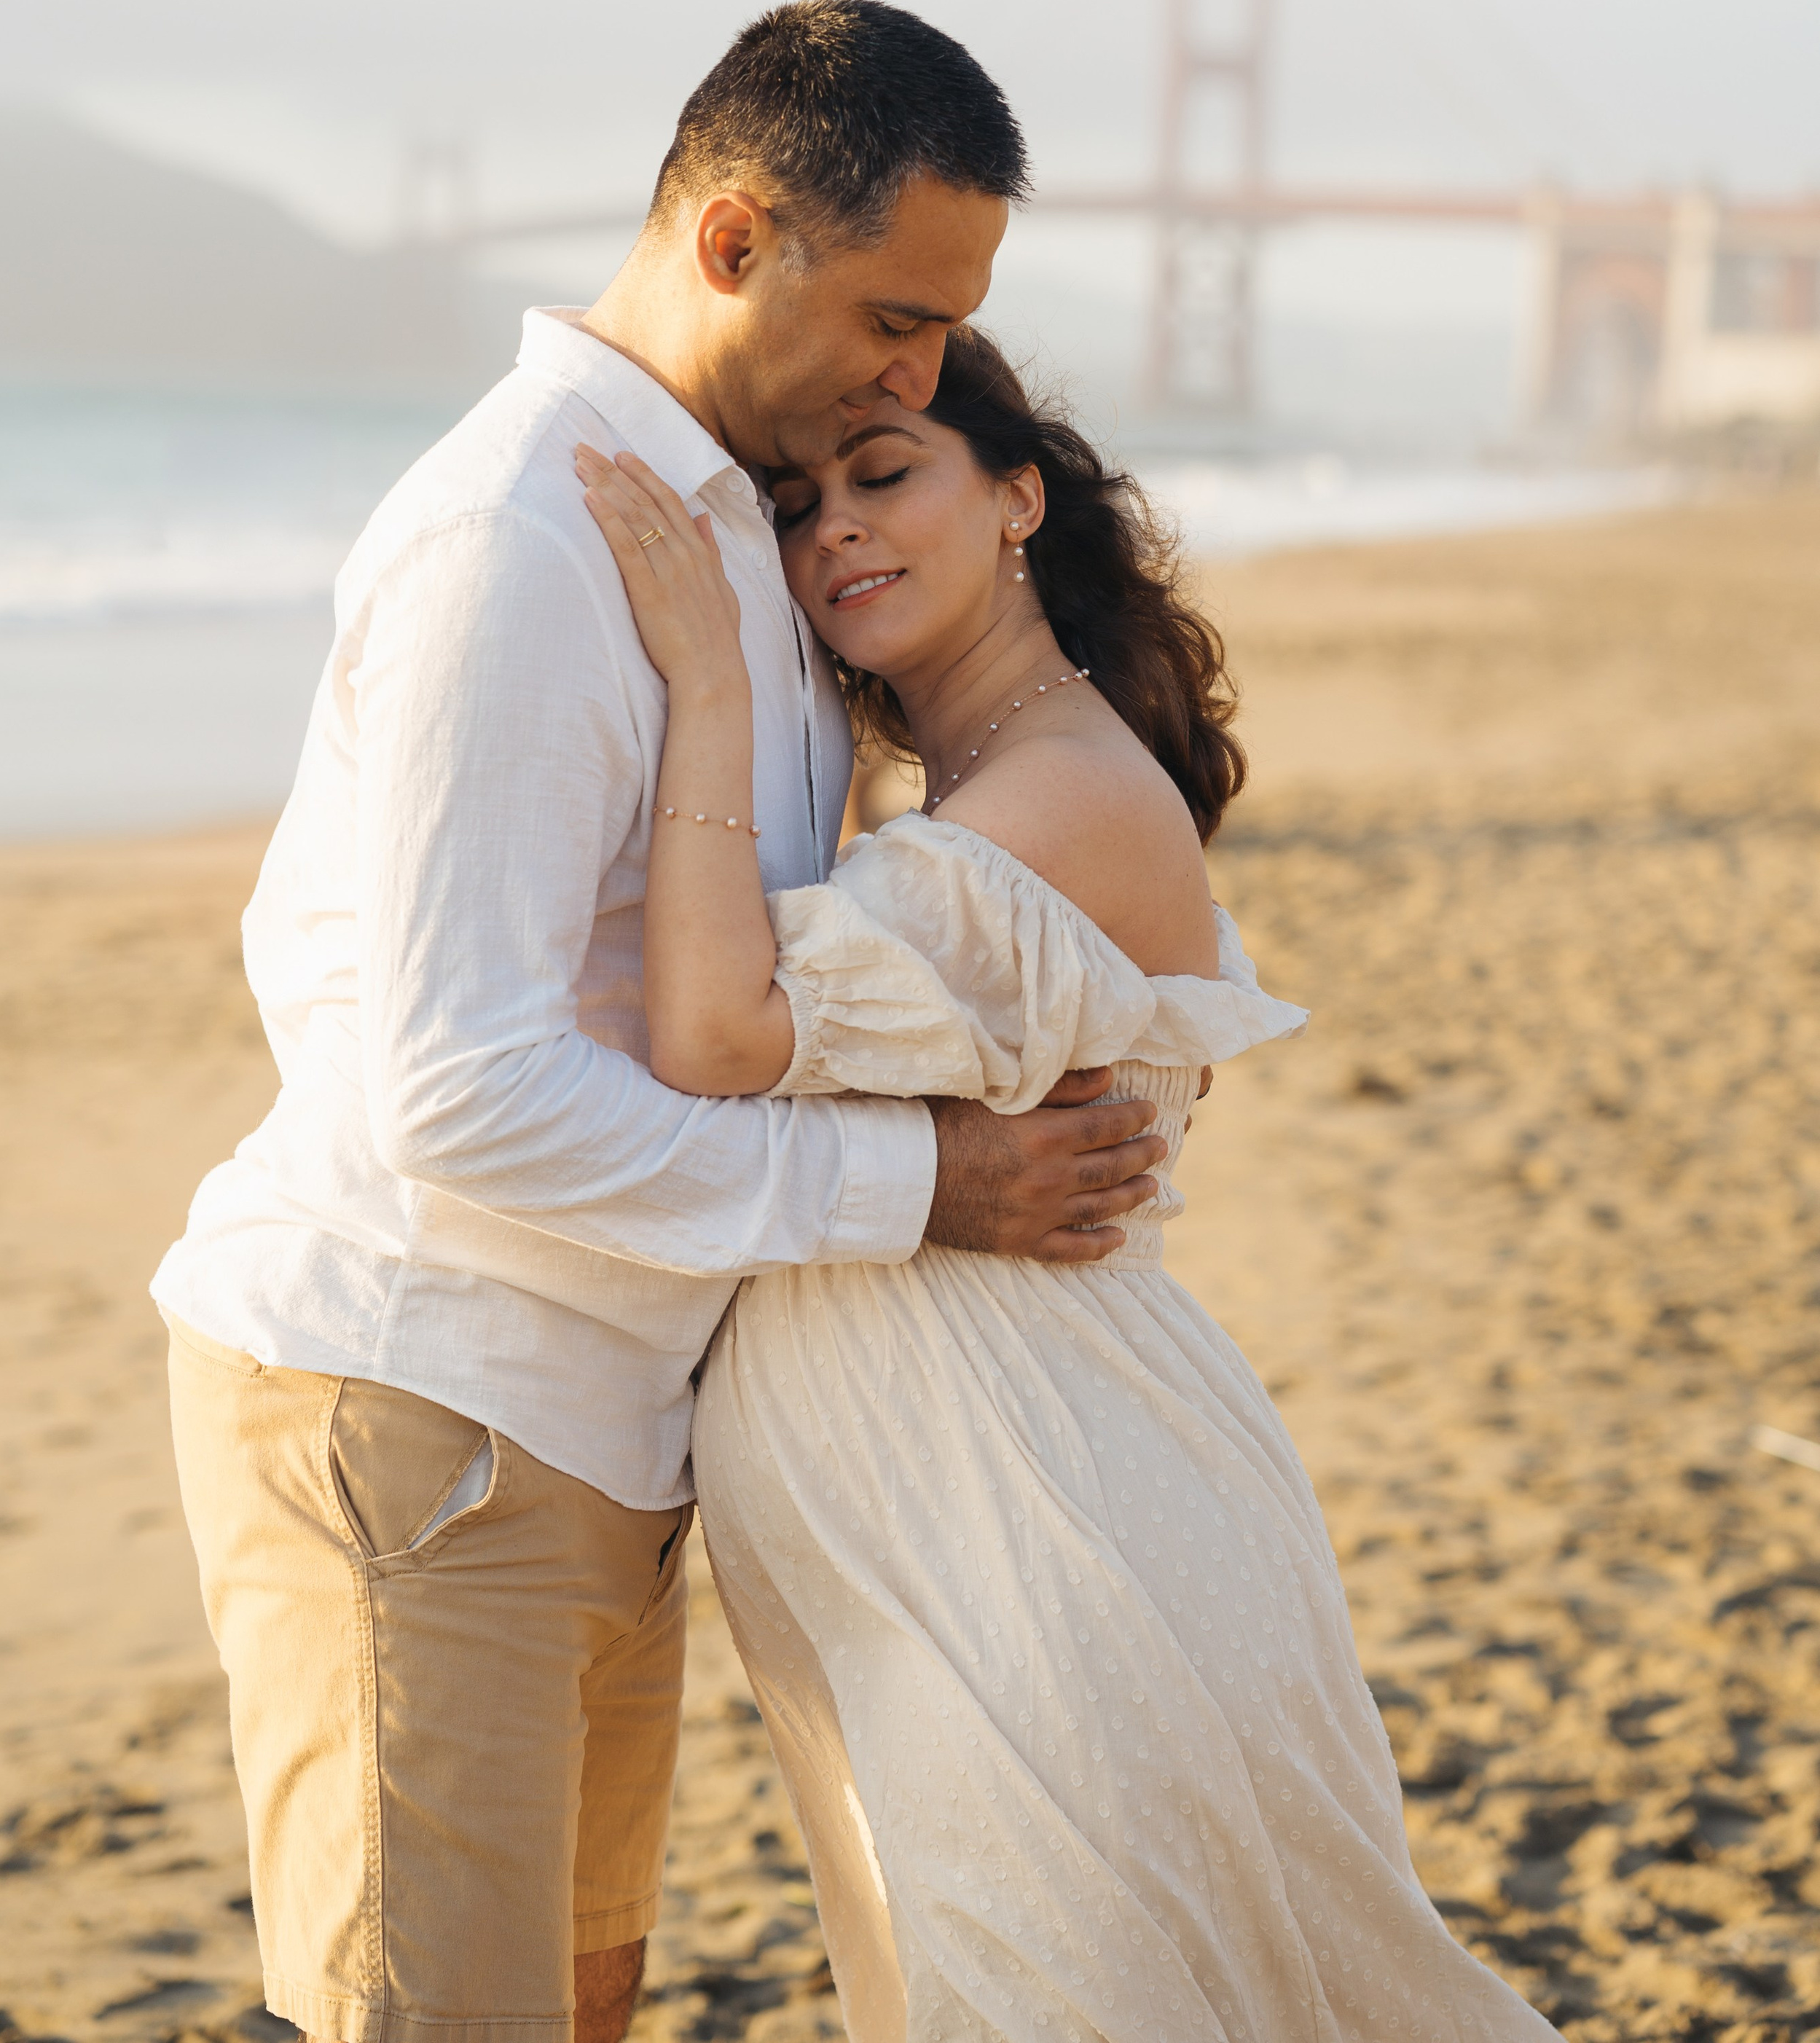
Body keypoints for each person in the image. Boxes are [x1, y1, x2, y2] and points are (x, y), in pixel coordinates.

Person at [150, 0, 1174, 2043]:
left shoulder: (742, 538)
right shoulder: (521, 537)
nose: (925, 372)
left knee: (576, 2006)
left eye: (946, 329)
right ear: (731, 240)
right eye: (895, 316)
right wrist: (930, 1185)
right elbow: (458, 1091)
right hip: (418, 1398)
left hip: (599, 1423)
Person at [577, 328, 1561, 2043]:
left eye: (886, 478)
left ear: (1017, 496)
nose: (833, 540)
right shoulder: (965, 792)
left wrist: (709, 692)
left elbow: (718, 1031)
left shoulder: (1061, 797)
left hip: (1052, 1532)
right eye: (797, 509)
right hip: (957, 1537)